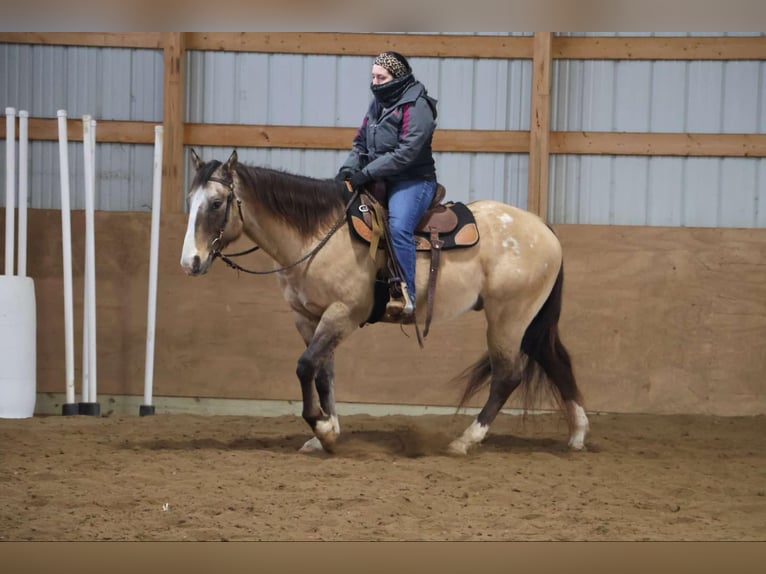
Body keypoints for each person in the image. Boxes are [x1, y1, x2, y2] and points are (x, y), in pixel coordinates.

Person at [337, 51, 438, 319]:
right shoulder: (378, 105)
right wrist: (349, 168)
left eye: (381, 77)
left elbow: (406, 153)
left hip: (413, 180)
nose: (375, 82)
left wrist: (367, 172)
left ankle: (406, 295)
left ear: (398, 77)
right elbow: (360, 143)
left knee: (398, 227)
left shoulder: (417, 107)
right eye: (373, 77)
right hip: (378, 178)